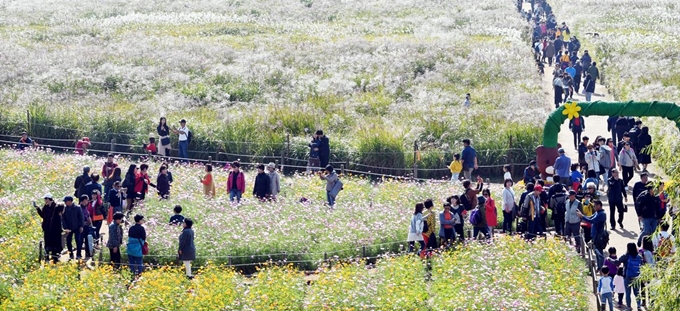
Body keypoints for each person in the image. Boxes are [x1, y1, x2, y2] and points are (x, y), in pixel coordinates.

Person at [34, 194, 64, 263]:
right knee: (47, 242)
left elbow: (58, 217)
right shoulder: (46, 207)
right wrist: (38, 209)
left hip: (54, 229)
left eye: (45, 199)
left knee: (55, 242)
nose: (45, 201)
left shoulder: (55, 206)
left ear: (48, 199)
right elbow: (43, 216)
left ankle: (55, 256)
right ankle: (47, 256)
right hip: (47, 228)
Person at [578, 199, 607, 269]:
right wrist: (581, 216)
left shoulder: (602, 214)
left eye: (595, 206)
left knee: (599, 253)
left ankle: (601, 267)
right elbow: (589, 217)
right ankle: (599, 267)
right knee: (596, 252)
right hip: (595, 235)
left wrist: (582, 216)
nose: (594, 207)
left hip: (599, 235)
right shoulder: (597, 212)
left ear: (599, 206)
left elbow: (591, 221)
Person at [615, 243, 644, 311]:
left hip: (627, 276)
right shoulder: (639, 257)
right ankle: (639, 306)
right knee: (637, 292)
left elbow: (617, 262)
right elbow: (642, 266)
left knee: (628, 293)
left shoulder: (626, 256)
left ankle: (628, 307)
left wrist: (609, 259)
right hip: (636, 276)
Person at [62, 196, 84, 260]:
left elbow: (81, 217)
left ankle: (79, 254)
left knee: (78, 240)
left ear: (70, 201)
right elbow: (63, 219)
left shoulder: (77, 208)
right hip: (68, 228)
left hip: (77, 227)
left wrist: (81, 226)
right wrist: (65, 228)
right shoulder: (65, 209)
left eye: (66, 201)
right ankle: (70, 254)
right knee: (68, 242)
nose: (65, 203)